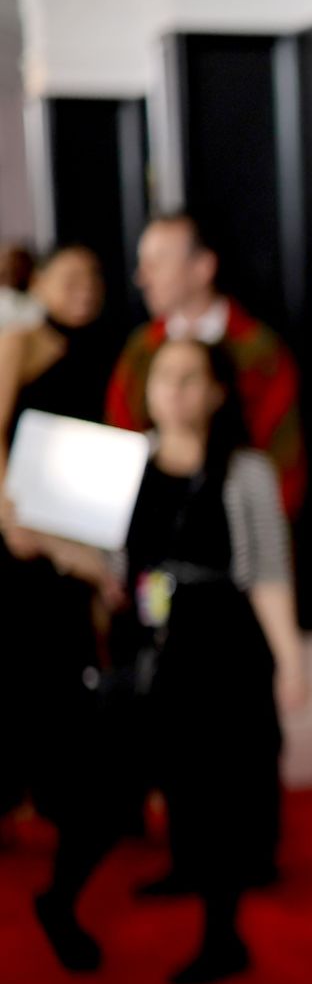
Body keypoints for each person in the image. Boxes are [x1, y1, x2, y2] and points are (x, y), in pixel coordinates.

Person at [28, 337, 304, 984]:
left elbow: (267, 571)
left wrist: (292, 659)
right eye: (165, 377)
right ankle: (58, 897)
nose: (176, 389)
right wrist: (42, 535)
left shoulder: (246, 470)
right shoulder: (123, 464)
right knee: (109, 782)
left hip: (225, 644)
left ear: (215, 390)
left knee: (220, 791)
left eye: (190, 377)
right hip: (149, 641)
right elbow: (108, 565)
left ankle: (222, 935)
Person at [1, 246, 113, 836]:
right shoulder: (17, 340)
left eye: (93, 276)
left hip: (77, 528)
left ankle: (66, 796)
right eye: (71, 277)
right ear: (37, 281)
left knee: (72, 654)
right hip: (19, 533)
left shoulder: (104, 351)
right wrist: (9, 517)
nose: (86, 288)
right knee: (23, 656)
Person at [107, 213, 306, 518]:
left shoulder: (259, 352)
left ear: (203, 268)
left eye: (157, 263)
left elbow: (284, 459)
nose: (142, 277)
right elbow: (119, 443)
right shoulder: (140, 351)